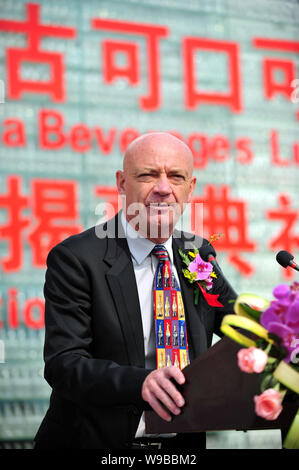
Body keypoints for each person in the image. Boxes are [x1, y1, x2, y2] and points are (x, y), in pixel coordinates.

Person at [34, 132, 236, 450]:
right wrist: (140, 383)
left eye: (176, 177)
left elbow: (239, 324)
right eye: (147, 175)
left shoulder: (197, 251)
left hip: (181, 445)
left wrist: (285, 329)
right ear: (122, 183)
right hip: (94, 441)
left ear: (190, 188)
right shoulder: (76, 258)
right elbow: (64, 364)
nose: (163, 188)